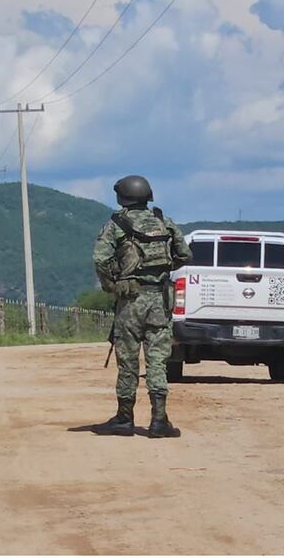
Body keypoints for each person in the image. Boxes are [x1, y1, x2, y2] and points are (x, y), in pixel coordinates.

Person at [92, 175, 192, 438]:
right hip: (160, 300)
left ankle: (125, 418)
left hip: (131, 302)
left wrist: (112, 285)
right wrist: (162, 269)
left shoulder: (116, 223)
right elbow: (184, 254)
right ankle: (159, 421)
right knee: (157, 360)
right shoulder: (163, 221)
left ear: (122, 197)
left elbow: (100, 259)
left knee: (127, 360)